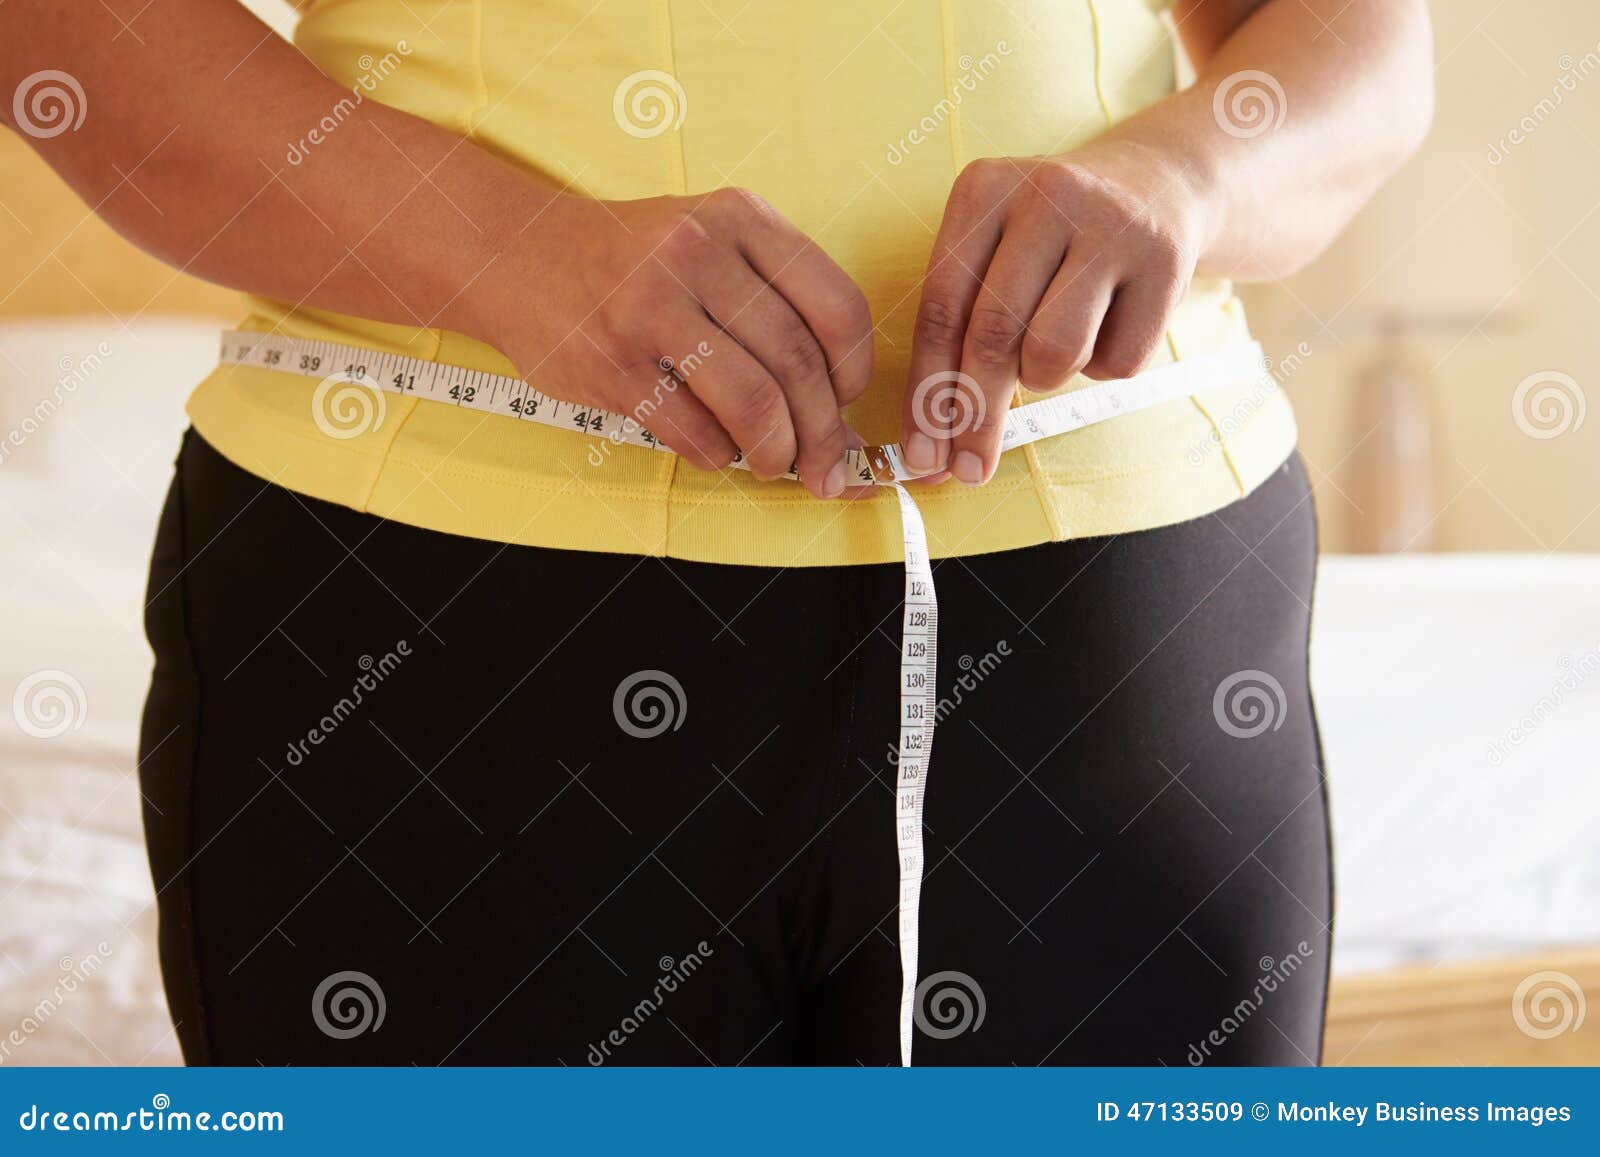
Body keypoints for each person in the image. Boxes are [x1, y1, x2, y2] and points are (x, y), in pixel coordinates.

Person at [2, 0, 1432, 1065]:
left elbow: (1362, 50)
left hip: (1119, 632)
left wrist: (1186, 174)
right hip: (431, 636)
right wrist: (511, 253)